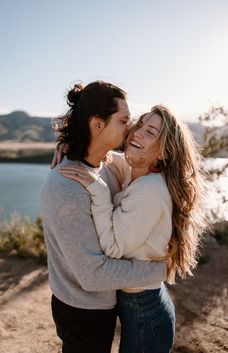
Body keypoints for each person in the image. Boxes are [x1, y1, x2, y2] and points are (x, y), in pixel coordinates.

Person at [60, 105, 209, 353]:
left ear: (164, 152)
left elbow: (112, 248)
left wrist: (98, 191)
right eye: (140, 125)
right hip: (140, 302)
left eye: (151, 132)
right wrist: (69, 148)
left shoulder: (149, 190)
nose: (138, 133)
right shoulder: (136, 171)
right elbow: (109, 157)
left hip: (144, 309)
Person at [40, 81, 166, 353]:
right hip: (83, 311)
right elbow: (93, 275)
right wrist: (161, 269)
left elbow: (149, 169)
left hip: (102, 305)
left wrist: (65, 142)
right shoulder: (67, 186)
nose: (131, 128)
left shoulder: (105, 165)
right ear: (97, 125)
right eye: (123, 121)